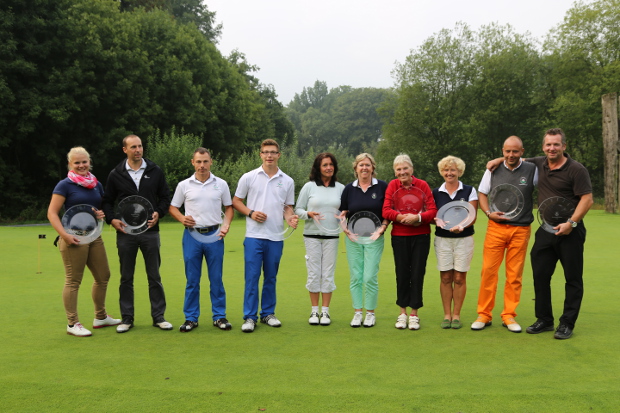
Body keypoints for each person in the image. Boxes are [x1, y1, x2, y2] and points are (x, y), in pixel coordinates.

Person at [487, 129, 593, 339]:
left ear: (564, 146)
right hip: (545, 231)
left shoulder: (576, 169)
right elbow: (516, 156)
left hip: (570, 231)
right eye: (548, 145)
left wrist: (572, 222)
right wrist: (500, 158)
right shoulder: (538, 163)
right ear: (543, 147)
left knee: (572, 279)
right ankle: (544, 319)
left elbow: (587, 199)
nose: (551, 148)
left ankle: (566, 323)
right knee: (541, 276)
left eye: (556, 145)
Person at [101, 134, 172, 333]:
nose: (138, 150)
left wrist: (159, 212)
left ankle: (158, 317)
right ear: (125, 150)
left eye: (140, 146)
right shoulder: (116, 173)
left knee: (154, 276)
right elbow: (107, 200)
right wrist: (111, 219)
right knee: (126, 277)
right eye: (133, 147)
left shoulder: (154, 170)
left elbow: (165, 197)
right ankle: (127, 319)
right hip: (125, 232)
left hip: (150, 231)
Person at [47, 147, 120, 337]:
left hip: (94, 236)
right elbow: (52, 213)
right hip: (73, 238)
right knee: (73, 281)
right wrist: (64, 235)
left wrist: (101, 213)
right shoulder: (64, 185)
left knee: (103, 275)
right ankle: (72, 324)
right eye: (77, 162)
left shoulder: (96, 184)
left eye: (84, 161)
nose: (81, 165)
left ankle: (101, 317)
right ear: (70, 164)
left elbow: (101, 206)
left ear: (89, 162)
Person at [472, 136, 537, 333]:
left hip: (521, 228)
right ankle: (484, 314)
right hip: (496, 227)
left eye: (515, 151)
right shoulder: (492, 169)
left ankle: (509, 315)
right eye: (507, 151)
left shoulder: (532, 170)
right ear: (502, 150)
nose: (511, 155)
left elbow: (548, 169)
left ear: (522, 152)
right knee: (488, 272)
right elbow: (482, 193)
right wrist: (488, 213)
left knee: (514, 275)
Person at [232, 139, 298, 333]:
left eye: (273, 152)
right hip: (253, 236)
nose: (269, 155)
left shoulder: (287, 180)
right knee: (252, 277)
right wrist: (251, 213)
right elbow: (236, 201)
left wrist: (290, 219)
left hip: (276, 237)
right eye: (266, 152)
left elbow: (287, 208)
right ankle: (249, 317)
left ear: (279, 155)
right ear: (260, 154)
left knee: (271, 277)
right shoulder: (249, 177)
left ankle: (268, 313)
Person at [169, 148, 234, 333]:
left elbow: (229, 208)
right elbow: (173, 207)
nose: (202, 165)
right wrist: (182, 218)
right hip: (192, 236)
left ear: (211, 162)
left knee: (216, 279)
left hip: (214, 235)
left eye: (205, 161)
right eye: (198, 162)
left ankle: (219, 316)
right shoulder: (184, 185)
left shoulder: (220, 184)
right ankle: (190, 318)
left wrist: (226, 224)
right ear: (193, 162)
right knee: (192, 280)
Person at [382, 154, 437, 330]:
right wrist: (400, 217)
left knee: (417, 273)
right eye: (398, 169)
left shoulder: (422, 185)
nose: (402, 172)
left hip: (421, 235)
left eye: (405, 168)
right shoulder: (392, 185)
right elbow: (386, 210)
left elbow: (433, 211)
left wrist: (417, 217)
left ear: (411, 170)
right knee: (402, 273)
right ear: (395, 171)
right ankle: (402, 312)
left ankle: (414, 314)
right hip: (399, 236)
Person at [295, 153, 345, 326]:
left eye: (331, 164)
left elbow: (346, 210)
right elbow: (298, 210)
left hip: (332, 236)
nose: (328, 168)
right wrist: (308, 214)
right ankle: (314, 311)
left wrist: (344, 215)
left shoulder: (340, 188)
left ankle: (325, 312)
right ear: (318, 168)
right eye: (325, 165)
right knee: (314, 273)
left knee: (328, 274)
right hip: (311, 236)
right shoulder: (309, 187)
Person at [340, 153, 389, 328]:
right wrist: (345, 229)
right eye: (361, 165)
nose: (364, 168)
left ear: (373, 168)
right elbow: (343, 213)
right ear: (356, 168)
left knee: (369, 276)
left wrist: (382, 228)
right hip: (353, 238)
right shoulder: (349, 189)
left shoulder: (382, 187)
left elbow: (387, 213)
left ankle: (370, 313)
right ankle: (357, 312)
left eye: (367, 165)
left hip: (375, 238)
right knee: (356, 276)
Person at [432, 155, 477, 330]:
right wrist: (435, 220)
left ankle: (456, 315)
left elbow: (472, 215)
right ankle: (447, 315)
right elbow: (433, 215)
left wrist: (462, 226)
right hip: (442, 240)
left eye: (453, 170)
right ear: (442, 172)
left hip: (464, 239)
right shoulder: (435, 192)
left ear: (459, 171)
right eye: (446, 170)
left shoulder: (469, 190)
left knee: (459, 278)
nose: (449, 173)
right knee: (445, 277)